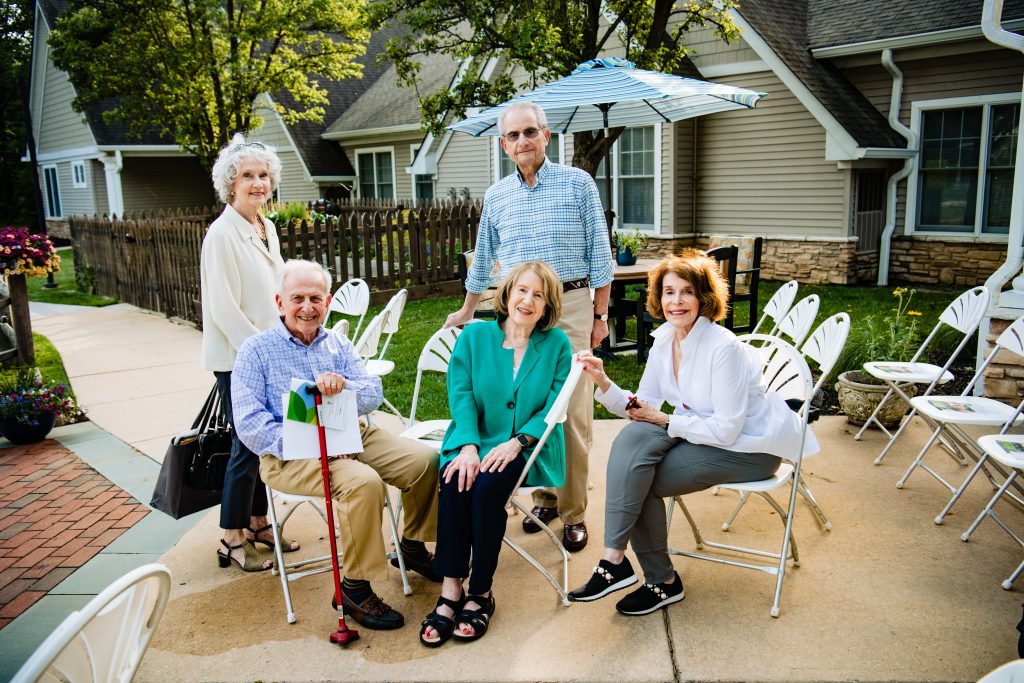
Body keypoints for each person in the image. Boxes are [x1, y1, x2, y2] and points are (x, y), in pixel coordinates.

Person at [567, 249, 820, 616]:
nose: (676, 301)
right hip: (702, 433)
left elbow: (728, 429)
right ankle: (616, 562)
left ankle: (659, 580)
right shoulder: (665, 340)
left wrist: (667, 421)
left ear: (704, 297)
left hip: (749, 448)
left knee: (639, 479)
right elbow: (644, 406)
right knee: (633, 440)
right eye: (669, 292)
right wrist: (603, 381)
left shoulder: (724, 348)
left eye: (687, 292)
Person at [231, 259, 441, 631]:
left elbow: (372, 393)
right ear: (280, 302)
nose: (307, 307)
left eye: (316, 298)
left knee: (424, 460)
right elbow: (249, 424)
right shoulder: (255, 350)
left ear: (327, 302)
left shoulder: (337, 344)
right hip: (290, 453)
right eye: (298, 298)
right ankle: (354, 588)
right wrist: (311, 443)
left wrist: (346, 387)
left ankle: (412, 546)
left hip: (350, 434)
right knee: (363, 483)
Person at [444, 101, 614, 552]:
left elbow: (601, 258)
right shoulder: (498, 195)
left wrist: (599, 318)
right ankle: (546, 499)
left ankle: (574, 512)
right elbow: (483, 259)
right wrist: (467, 310)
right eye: (513, 135)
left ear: (546, 136)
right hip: (516, 310)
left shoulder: (578, 184)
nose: (523, 141)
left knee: (569, 414)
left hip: (570, 306)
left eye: (530, 132)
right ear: (504, 144)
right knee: (526, 406)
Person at [421, 261, 572, 647]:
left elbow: (554, 405)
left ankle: (481, 592)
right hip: (473, 437)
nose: (528, 301)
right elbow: (461, 394)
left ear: (547, 306)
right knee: (457, 477)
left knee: (488, 488)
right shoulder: (475, 337)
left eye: (538, 295)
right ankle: (451, 589)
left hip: (526, 445)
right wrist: (469, 446)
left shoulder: (556, 344)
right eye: (522, 290)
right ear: (507, 293)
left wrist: (517, 441)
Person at [200, 134, 295, 572]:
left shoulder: (265, 227)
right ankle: (231, 536)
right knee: (245, 443)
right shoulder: (221, 235)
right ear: (230, 184)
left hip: (266, 352)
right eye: (247, 176)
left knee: (261, 441)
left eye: (264, 175)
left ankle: (258, 523)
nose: (258, 183)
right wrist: (262, 355)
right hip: (238, 358)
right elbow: (223, 308)